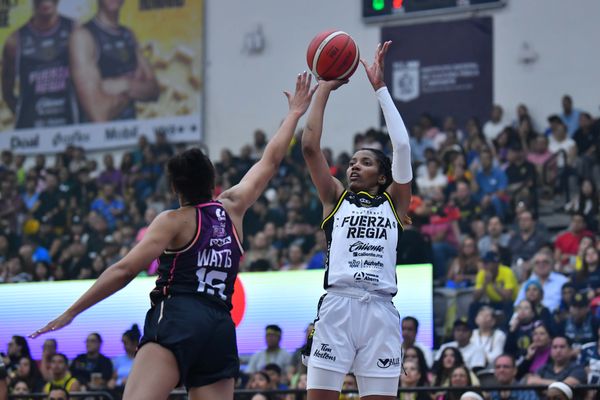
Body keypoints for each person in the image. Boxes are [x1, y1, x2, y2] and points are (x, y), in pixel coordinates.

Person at [30, 72, 318, 400]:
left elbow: (124, 271)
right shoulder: (233, 207)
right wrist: (294, 112)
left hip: (179, 315)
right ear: (213, 181)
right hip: (220, 326)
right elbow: (271, 158)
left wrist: (72, 312)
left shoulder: (173, 221)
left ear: (173, 187)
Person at [301, 41, 412, 399]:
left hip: (380, 310)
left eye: (365, 161)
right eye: (352, 161)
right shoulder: (335, 197)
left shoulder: (394, 202)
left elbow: (403, 148)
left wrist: (380, 88)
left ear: (383, 176)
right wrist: (324, 89)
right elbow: (309, 147)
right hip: (337, 306)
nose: (353, 165)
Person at [70, 0, 159, 121]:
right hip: (100, 137)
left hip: (131, 133)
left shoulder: (128, 34)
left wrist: (125, 85)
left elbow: (154, 90)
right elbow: (98, 113)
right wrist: (137, 88)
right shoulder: (82, 37)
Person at [1, 0, 79, 129]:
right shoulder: (14, 40)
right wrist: (26, 116)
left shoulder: (75, 29)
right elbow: (7, 93)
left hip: (70, 127)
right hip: (32, 133)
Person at [108, 324, 141, 389]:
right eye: (123, 343)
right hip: (118, 391)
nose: (124, 346)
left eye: (125, 343)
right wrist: (112, 382)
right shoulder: (117, 360)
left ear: (134, 342)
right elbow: (113, 378)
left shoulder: (142, 359)